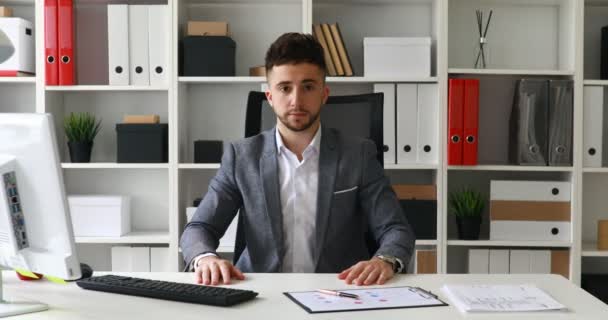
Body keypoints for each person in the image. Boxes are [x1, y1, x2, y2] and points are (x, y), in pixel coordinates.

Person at [180, 32, 415, 287]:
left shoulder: (358, 154)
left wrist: (383, 260)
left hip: (338, 291)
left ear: (324, 94)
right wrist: (205, 258)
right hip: (261, 293)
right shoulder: (242, 157)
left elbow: (396, 229)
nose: (296, 100)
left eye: (308, 87)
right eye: (284, 88)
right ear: (270, 97)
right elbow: (199, 228)